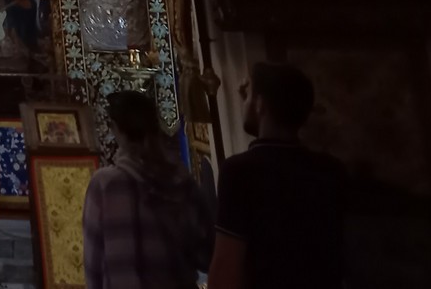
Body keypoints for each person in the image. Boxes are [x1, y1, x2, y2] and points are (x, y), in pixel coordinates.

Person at [208, 63, 345, 289]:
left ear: (260, 104)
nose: (243, 101)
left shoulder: (239, 172)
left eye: (248, 95)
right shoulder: (331, 170)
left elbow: (226, 265)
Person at [81, 90, 212, 289]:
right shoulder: (182, 182)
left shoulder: (105, 186)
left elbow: (93, 265)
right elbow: (205, 255)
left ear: (115, 128)